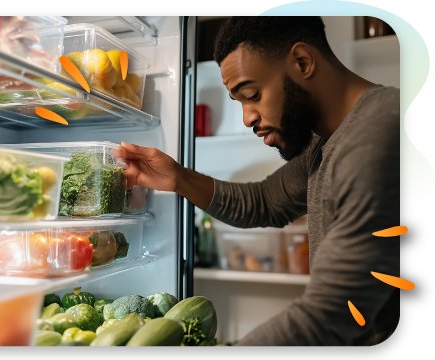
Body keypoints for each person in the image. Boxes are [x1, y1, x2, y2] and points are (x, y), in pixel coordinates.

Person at [115, 16, 400, 346]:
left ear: (302, 61)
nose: (248, 117)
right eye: (240, 101)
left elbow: (335, 310)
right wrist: (177, 178)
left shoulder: (378, 134)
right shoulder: (327, 140)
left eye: (252, 94)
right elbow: (265, 202)